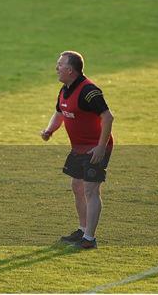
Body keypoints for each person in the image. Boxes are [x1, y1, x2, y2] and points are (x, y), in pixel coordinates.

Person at [41, 51, 114, 249]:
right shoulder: (65, 89)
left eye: (59, 65)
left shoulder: (89, 91)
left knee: (91, 190)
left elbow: (108, 117)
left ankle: (89, 239)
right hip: (78, 148)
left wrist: (101, 147)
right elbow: (59, 113)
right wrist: (50, 130)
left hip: (95, 148)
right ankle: (82, 230)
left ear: (70, 70)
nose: (56, 68)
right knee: (77, 187)